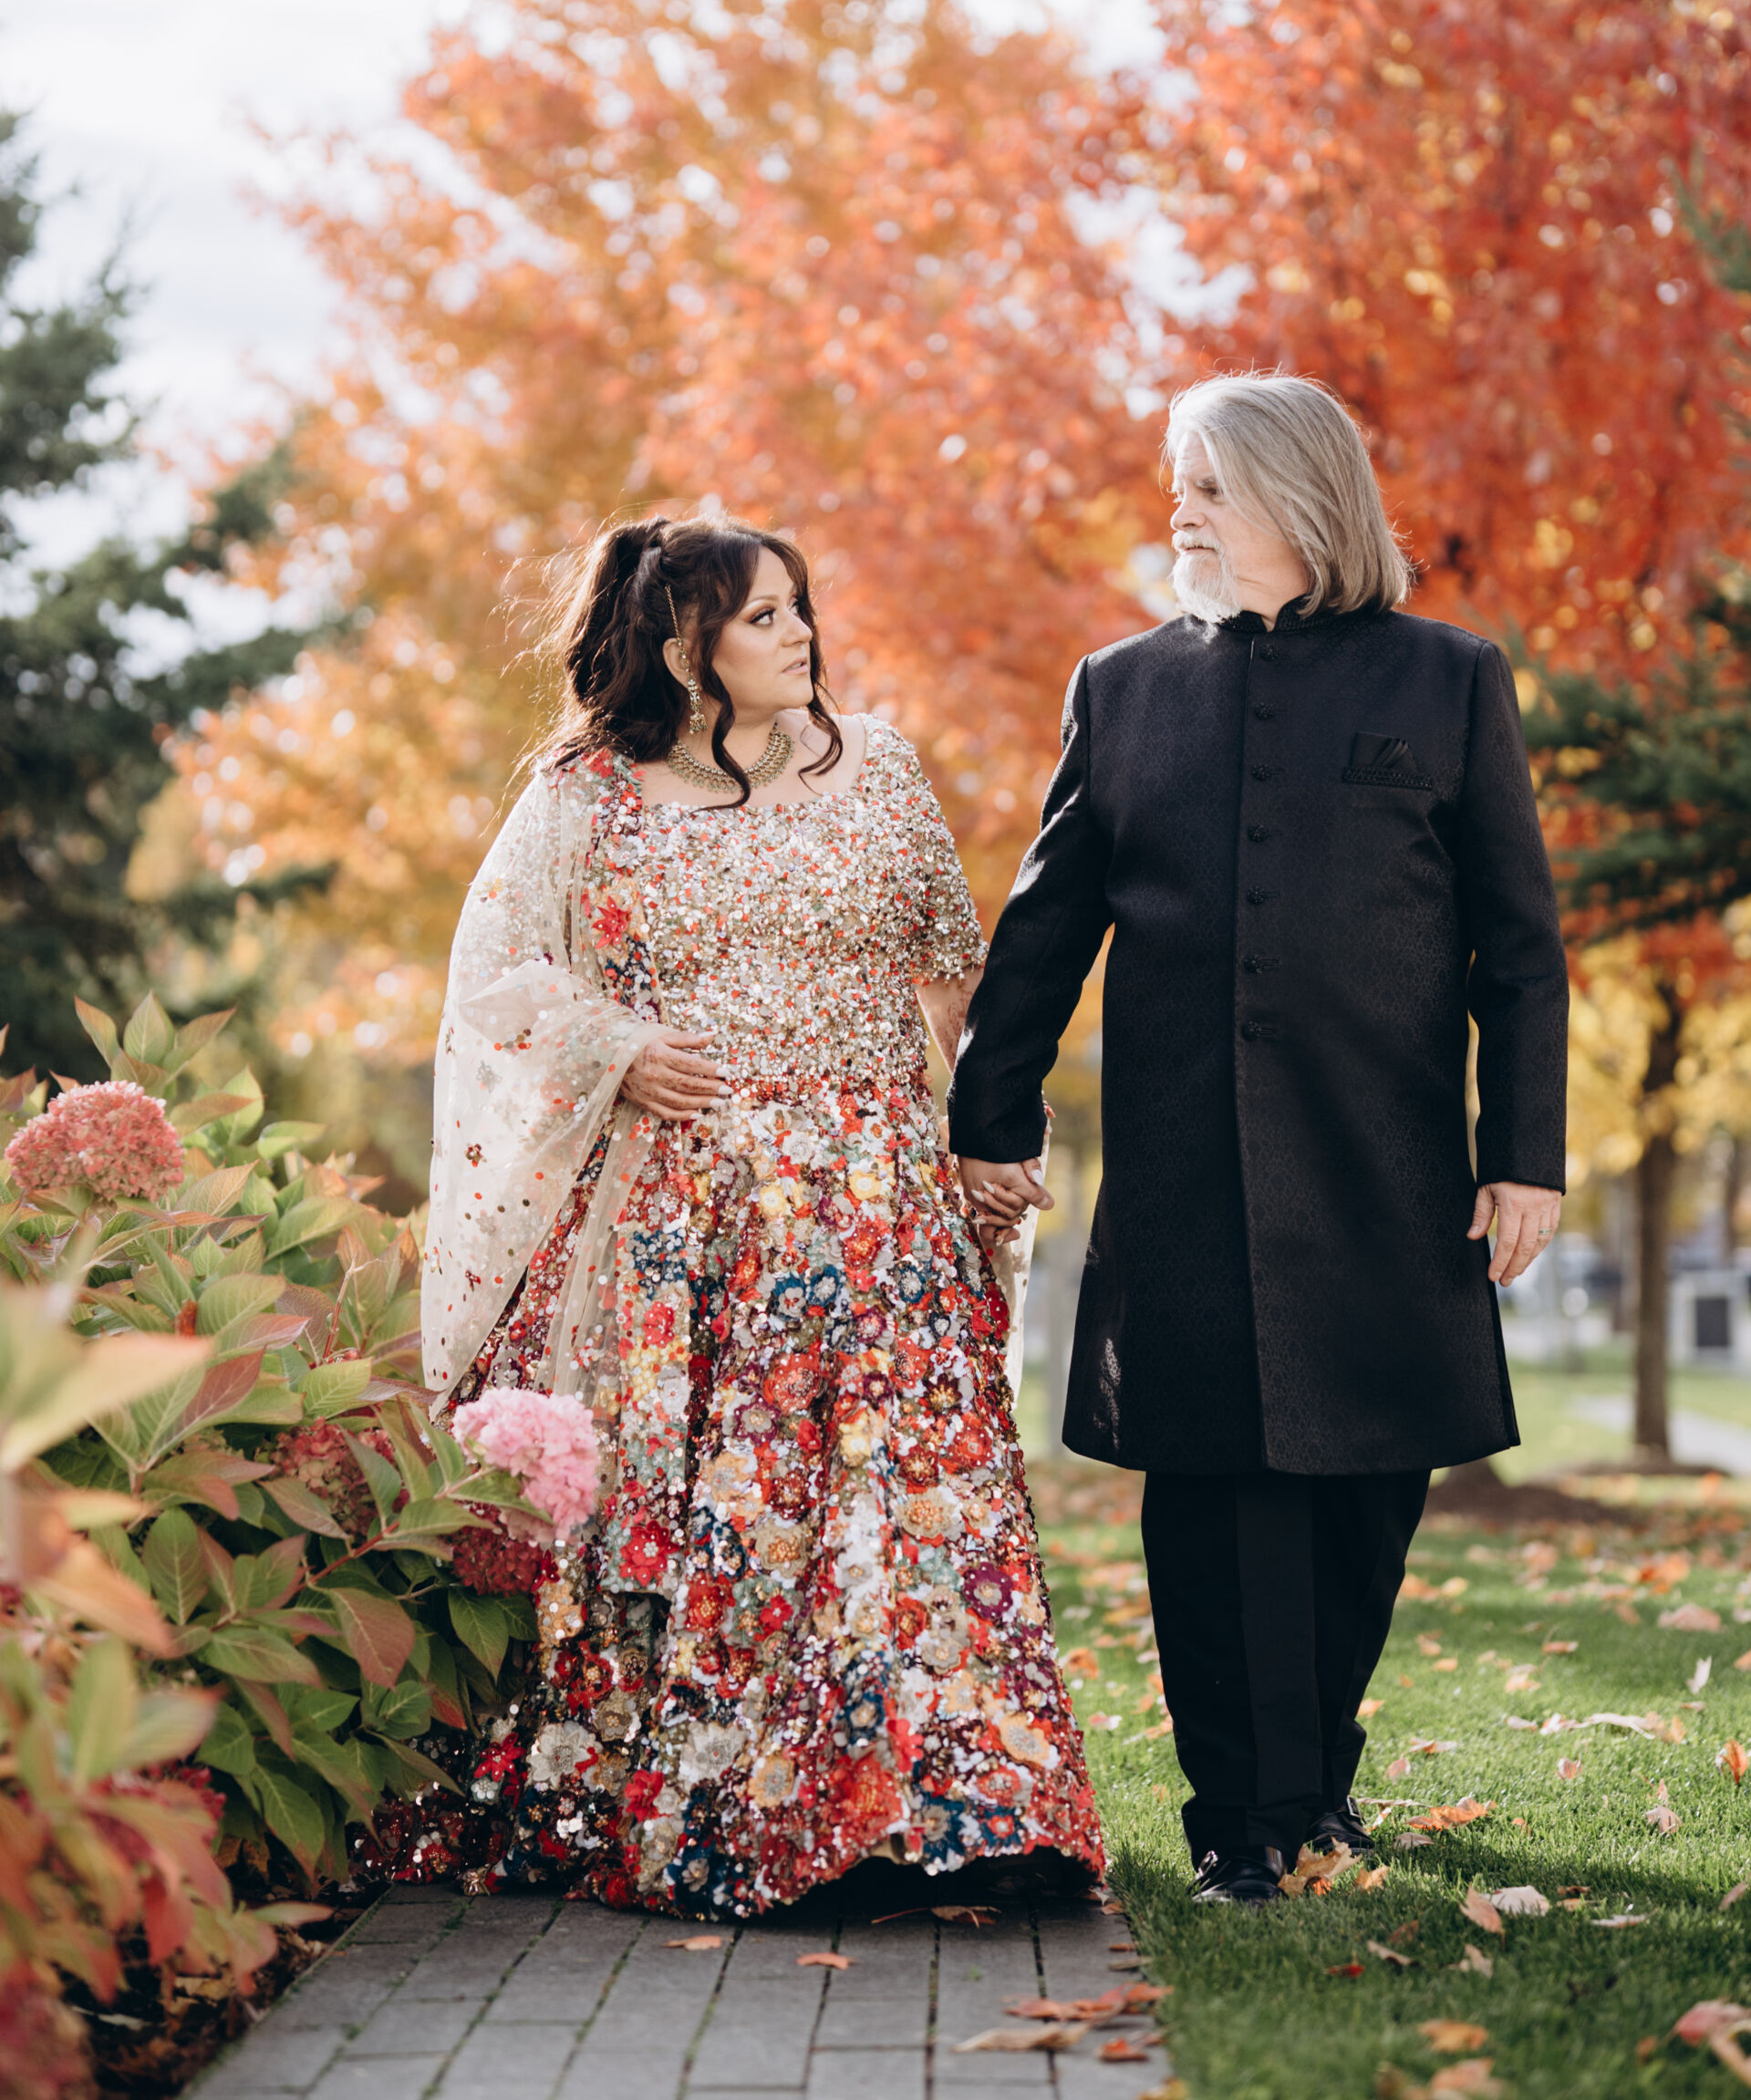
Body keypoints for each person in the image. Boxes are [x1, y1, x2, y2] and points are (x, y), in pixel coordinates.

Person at [404, 512, 1102, 1915]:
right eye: (765, 615)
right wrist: (613, 1046)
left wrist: (988, 1136)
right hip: (690, 1225)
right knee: (736, 1521)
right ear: (684, 645)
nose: (801, 636)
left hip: (878, 1210)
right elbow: (496, 974)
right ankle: (747, 1813)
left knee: (908, 1507)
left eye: (800, 608)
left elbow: (952, 978)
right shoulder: (587, 795)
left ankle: (967, 1810)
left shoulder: (879, 766)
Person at [949, 372, 1568, 1907]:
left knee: (1370, 1489)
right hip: (1184, 1164)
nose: (1183, 509)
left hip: (1389, 1164)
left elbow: (1519, 947)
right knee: (1211, 1489)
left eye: (1212, 484)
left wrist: (1526, 1152)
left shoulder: (1449, 677)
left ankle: (1314, 1775)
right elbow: (1046, 926)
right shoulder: (1121, 686)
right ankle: (1241, 1817)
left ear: (1301, 496)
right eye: (1183, 482)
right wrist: (989, 1114)